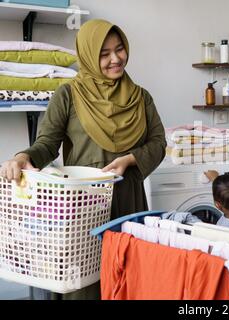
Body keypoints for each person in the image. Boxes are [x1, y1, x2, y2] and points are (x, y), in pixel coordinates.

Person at [0, 19, 167, 299]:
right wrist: (21, 157)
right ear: (89, 55)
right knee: (84, 286)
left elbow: (158, 143)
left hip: (128, 203)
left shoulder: (141, 98)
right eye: (104, 53)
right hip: (82, 209)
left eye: (120, 49)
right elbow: (47, 143)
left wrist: (130, 159)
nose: (116, 59)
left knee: (128, 280)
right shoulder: (68, 95)